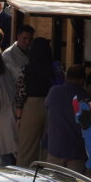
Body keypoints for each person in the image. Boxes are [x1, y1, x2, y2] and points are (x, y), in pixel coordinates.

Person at [16, 32, 55, 166]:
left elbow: (21, 93)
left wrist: (18, 116)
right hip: (51, 107)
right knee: (47, 147)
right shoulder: (55, 68)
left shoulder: (26, 68)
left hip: (31, 106)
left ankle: (23, 175)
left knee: (27, 147)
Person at [45, 65, 91, 172]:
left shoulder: (54, 91)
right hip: (76, 152)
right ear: (82, 80)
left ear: (67, 77)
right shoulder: (86, 97)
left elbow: (47, 106)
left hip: (55, 149)